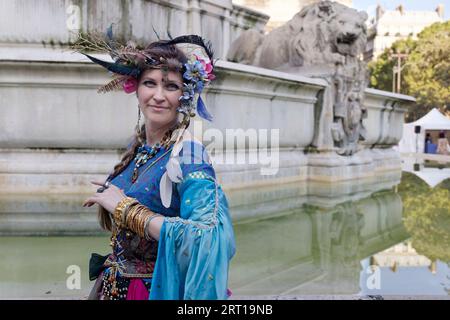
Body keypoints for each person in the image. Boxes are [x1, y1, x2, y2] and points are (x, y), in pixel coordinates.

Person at [74, 30, 236, 300]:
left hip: (154, 290)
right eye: (150, 83)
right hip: (114, 287)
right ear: (135, 87)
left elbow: (206, 238)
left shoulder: (189, 154)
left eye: (170, 86)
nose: (158, 95)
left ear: (185, 95)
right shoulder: (138, 147)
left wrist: (127, 209)